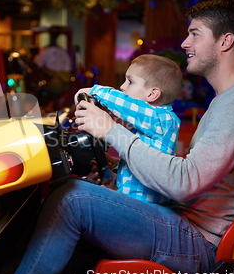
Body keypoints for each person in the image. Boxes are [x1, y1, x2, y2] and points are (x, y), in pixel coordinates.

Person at [8, 0, 234, 274]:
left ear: (225, 41)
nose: (185, 43)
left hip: (200, 243)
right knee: (67, 187)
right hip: (183, 222)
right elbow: (189, 172)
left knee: (72, 199)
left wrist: (111, 130)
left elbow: (184, 182)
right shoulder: (230, 99)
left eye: (195, 34)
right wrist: (116, 169)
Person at [75, 54, 182, 205]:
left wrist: (95, 91)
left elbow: (125, 104)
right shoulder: (148, 123)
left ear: (152, 94)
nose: (123, 86)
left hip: (145, 207)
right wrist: (113, 174)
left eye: (130, 81)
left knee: (75, 196)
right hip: (130, 198)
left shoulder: (163, 120)